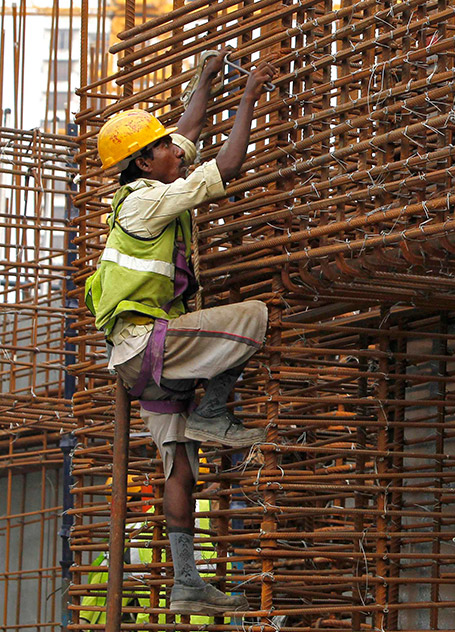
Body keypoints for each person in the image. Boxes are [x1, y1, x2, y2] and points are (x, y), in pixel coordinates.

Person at [84, 50, 275, 615]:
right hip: (150, 345)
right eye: (162, 147)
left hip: (136, 356)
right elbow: (228, 165)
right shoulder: (150, 201)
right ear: (144, 163)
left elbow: (188, 130)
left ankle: (187, 579)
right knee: (253, 317)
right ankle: (215, 411)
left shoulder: (145, 182)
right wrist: (249, 96)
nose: (175, 150)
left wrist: (206, 80)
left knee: (180, 464)